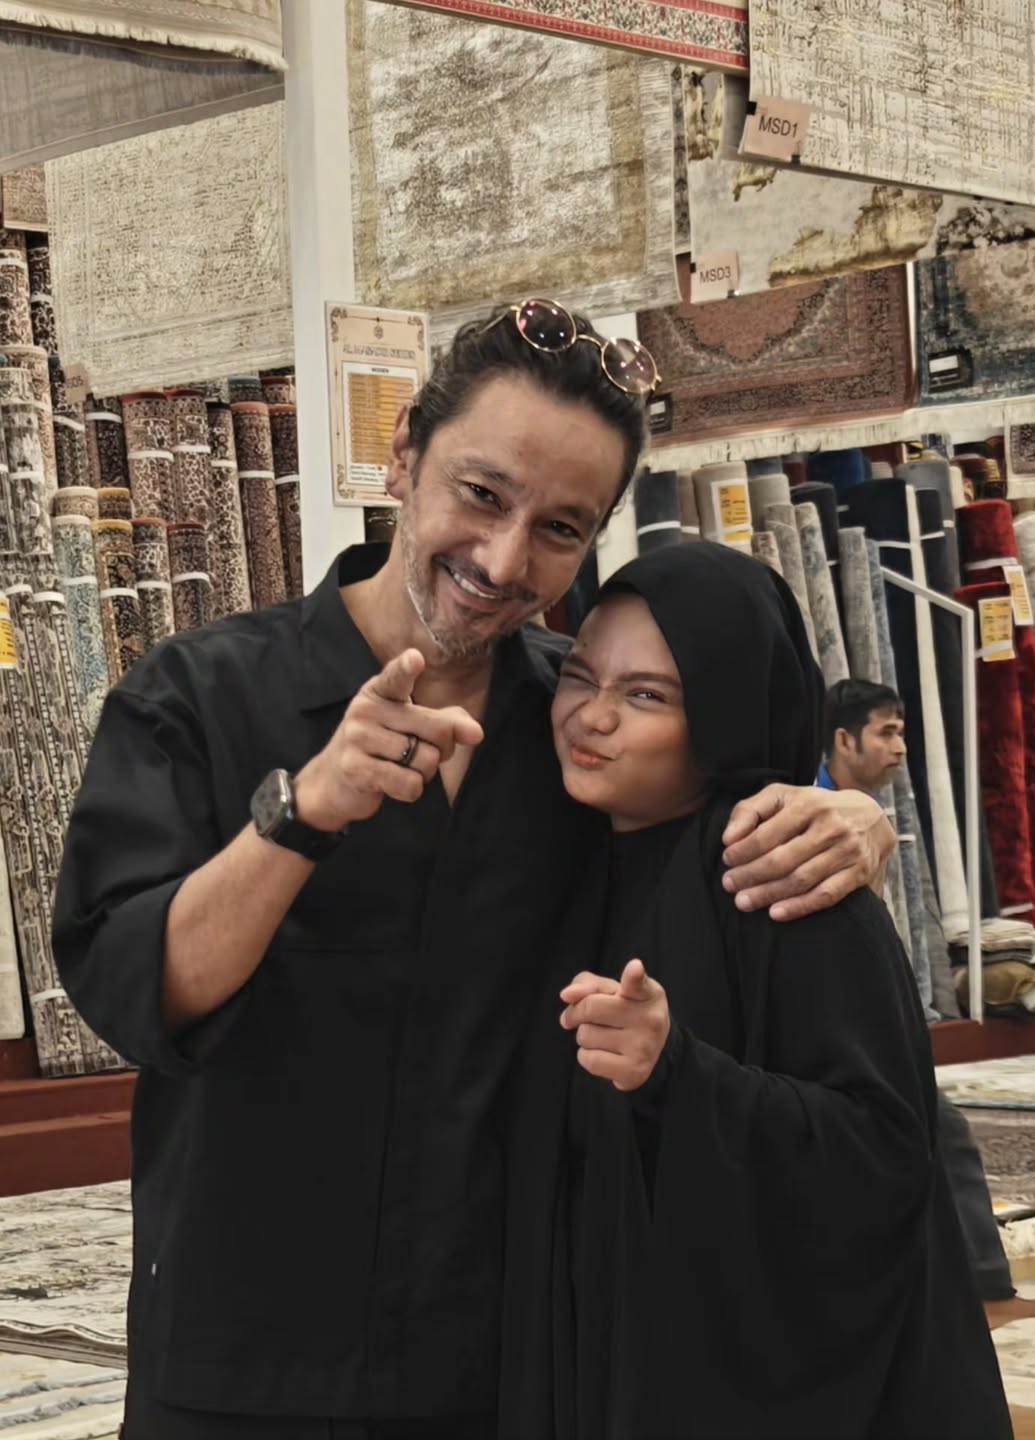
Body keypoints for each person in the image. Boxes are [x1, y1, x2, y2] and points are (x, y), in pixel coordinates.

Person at [53, 301, 894, 1438]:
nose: (504, 562)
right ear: (403, 455)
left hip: (509, 1365)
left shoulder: (578, 731)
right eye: (483, 494)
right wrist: (300, 815)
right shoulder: (197, 698)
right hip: (246, 1358)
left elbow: (715, 845)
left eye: (560, 528)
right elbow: (131, 992)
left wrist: (850, 816)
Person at [500, 543, 1012, 1440]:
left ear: (727, 711)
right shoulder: (571, 860)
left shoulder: (780, 872)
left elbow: (880, 1156)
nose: (593, 715)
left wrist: (677, 1074)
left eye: (647, 695)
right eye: (579, 675)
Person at [821, 678, 1035, 1330]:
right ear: (843, 739)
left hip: (850, 1014)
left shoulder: (855, 812)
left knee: (928, 1130)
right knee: (931, 1128)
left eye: (901, 732)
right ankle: (976, 1291)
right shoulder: (823, 818)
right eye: (887, 732)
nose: (901, 747)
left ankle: (968, 1289)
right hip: (832, 1019)